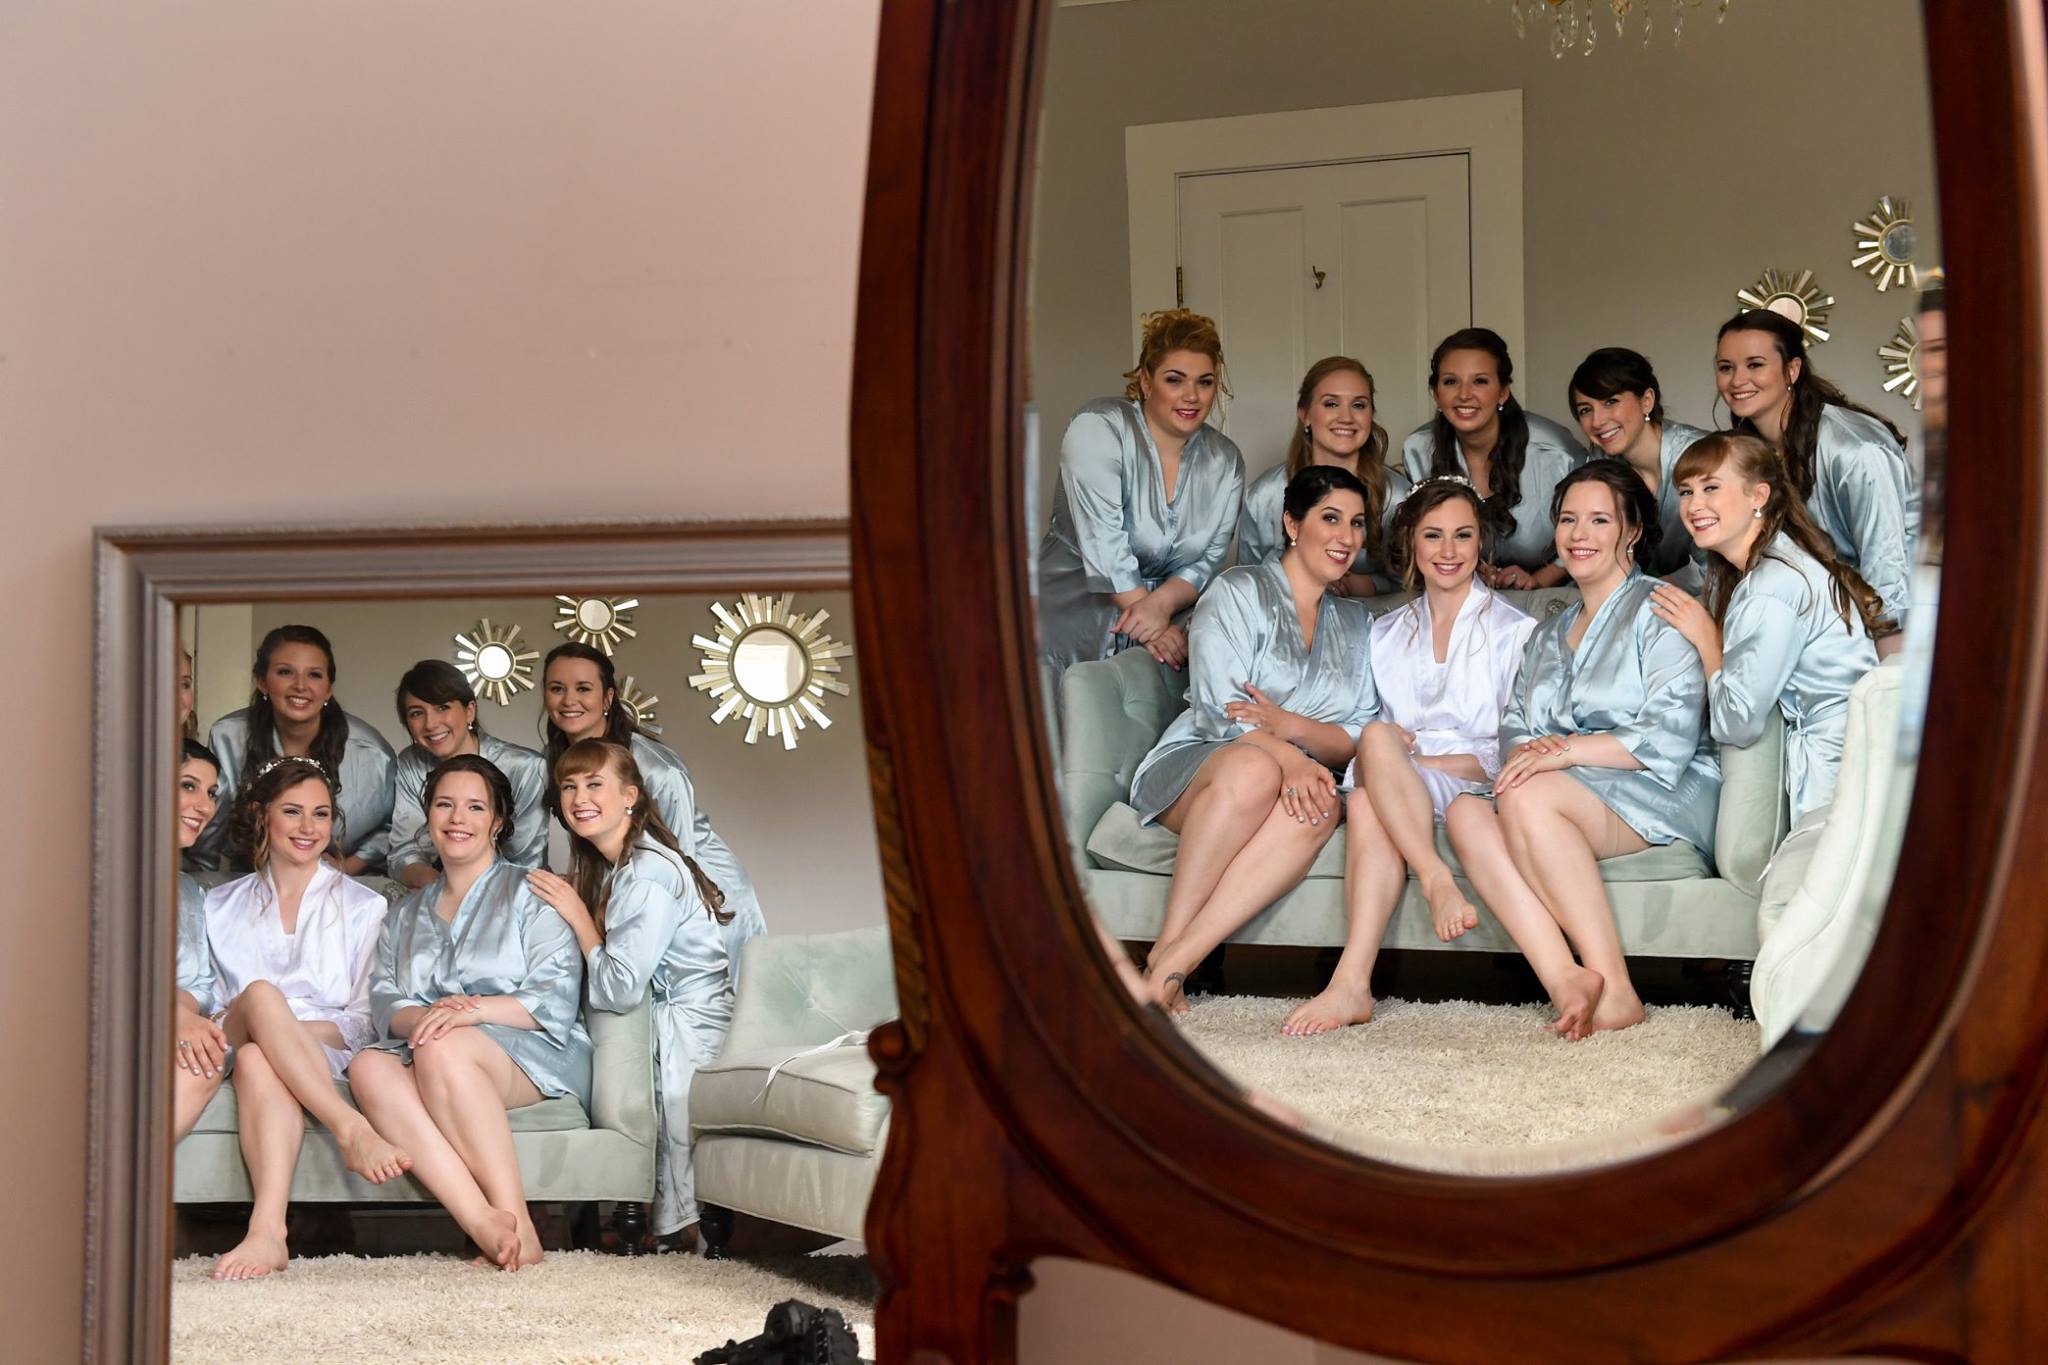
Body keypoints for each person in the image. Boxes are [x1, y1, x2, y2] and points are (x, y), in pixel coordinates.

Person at [1448, 462, 1721, 1039]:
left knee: (1529, 796)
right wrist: (1535, 751)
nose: (1579, 534)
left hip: (1661, 785)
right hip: (1568, 786)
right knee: (1466, 812)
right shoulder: (1549, 629)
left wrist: (1566, 752)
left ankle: (1617, 990)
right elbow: (1515, 723)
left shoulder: (1661, 609)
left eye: (1599, 520)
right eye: (1568, 519)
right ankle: (1566, 979)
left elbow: (1668, 734)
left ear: (1633, 531)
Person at [1283, 477, 1537, 1035]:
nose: (1448, 551)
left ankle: (1361, 968)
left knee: (1374, 767)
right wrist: (1398, 765)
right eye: (1433, 535)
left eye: (1463, 535)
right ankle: (1365, 965)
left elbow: (1510, 748)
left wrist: (1421, 767)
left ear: (1481, 542)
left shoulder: (1516, 633)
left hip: (1471, 788)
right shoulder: (1384, 633)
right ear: (1411, 542)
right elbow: (1372, 742)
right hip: (1396, 788)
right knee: (1372, 770)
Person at [1127, 467, 1381, 1012]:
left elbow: (1359, 733)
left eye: (1357, 523)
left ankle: (1172, 965)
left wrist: (1291, 731)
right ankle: (1166, 949)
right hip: (1204, 760)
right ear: (1292, 523)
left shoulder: (1356, 621)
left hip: (1305, 774)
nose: (1346, 537)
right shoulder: (1238, 590)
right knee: (1254, 769)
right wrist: (1287, 755)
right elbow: (1221, 707)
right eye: (1330, 518)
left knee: (1321, 803)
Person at [348, 754, 591, 1271]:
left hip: (533, 1049)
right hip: (431, 1045)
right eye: (445, 805)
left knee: (445, 1045)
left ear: (498, 820)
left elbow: (554, 995)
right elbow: (385, 996)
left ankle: (519, 1224)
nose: (458, 818)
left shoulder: (532, 892)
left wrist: (470, 1012)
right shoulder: (404, 912)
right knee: (368, 1065)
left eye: (475, 807)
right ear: (429, 815)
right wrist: (428, 1019)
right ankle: (480, 1220)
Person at [202, 756, 408, 1279]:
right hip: (232, 1033)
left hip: (319, 1049)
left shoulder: (363, 907)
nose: (308, 827)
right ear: (262, 815)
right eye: (292, 811)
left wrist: (279, 1038)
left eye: (321, 814)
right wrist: (266, 1019)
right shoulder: (217, 905)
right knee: (260, 999)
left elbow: (363, 1020)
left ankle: (267, 1231)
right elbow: (210, 1006)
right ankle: (350, 1128)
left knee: (260, 1060)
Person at [526, 739, 734, 1250]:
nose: (579, 798)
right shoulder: (616, 866)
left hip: (692, 1027)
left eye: (595, 784)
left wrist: (577, 915)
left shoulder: (646, 873)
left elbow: (620, 988)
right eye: (569, 787)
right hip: (671, 1019)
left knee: (681, 1144)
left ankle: (684, 1240)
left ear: (630, 796)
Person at [1650, 432, 1885, 828]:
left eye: (1711, 487)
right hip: (1850, 754)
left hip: (1840, 772)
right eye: (1686, 492)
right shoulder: (1773, 564)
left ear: (1758, 496)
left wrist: (1706, 637)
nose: (1694, 505)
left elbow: (1738, 723)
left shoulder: (1771, 587)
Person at [1037, 308, 1246, 676]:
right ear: (1146, 382)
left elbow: (1210, 560)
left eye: (1204, 382)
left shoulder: (1226, 461)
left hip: (1159, 639)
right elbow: (1105, 546)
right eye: (1175, 380)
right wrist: (1157, 630)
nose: (1191, 396)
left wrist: (1160, 609)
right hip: (1072, 628)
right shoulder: (1098, 428)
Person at [540, 641, 765, 974]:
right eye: (557, 688)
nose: (569, 700)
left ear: (608, 698)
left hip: (704, 890)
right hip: (636, 888)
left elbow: (680, 863)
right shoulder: (557, 758)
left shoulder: (658, 769)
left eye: (583, 688)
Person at [1714, 309, 1916, 649]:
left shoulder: (1854, 449)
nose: (1737, 380)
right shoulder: (1748, 454)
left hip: (1902, 631)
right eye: (1726, 367)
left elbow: (1888, 572)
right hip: (1827, 631)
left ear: (1792, 370)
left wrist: (1889, 668)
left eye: (1755, 364)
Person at [192, 625, 398, 875]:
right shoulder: (228, 736)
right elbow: (210, 827)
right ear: (262, 682)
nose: (300, 685)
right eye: (285, 672)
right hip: (250, 877)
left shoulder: (372, 754)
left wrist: (346, 867)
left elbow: (391, 827)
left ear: (329, 689)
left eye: (314, 675)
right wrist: (204, 881)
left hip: (347, 880)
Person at [1402, 327, 1587, 589]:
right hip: (1460, 592)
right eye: (1451, 381)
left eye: (1480, 381)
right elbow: (1419, 538)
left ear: (1503, 392)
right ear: (1435, 393)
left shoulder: (1556, 452)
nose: (1464, 394)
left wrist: (1539, 579)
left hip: (1551, 594)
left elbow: (1595, 531)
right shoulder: (1417, 450)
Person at [1237, 356, 1411, 595]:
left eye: (1359, 405)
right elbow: (1248, 583)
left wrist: (1358, 585)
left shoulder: (1398, 496)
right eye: (1331, 404)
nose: (1346, 417)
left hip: (1376, 615)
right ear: (1305, 414)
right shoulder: (1264, 495)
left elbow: (1412, 584)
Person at [388, 660, 550, 888]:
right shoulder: (411, 762)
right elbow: (405, 852)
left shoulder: (526, 767)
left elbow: (526, 863)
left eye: (442, 707)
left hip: (513, 891)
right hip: (437, 887)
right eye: (416, 713)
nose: (430, 724)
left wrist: (468, 896)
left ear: (469, 710)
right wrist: (439, 889)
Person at [1568, 346, 1712, 584]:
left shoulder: (1702, 455)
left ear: (1646, 401)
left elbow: (1715, 566)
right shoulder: (1600, 461)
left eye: (1611, 401)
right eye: (1585, 410)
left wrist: (1646, 593)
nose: (1597, 421)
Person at [173, 739, 227, 1139]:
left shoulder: (189, 891)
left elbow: (199, 982)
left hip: (168, 1029)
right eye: (188, 786)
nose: (205, 806)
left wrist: (180, 1014)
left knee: (207, 1058)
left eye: (211, 793)